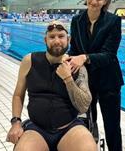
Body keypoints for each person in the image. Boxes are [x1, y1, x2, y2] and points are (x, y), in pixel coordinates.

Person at [6, 20, 97, 151]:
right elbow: (18, 95)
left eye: (61, 36)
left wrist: (68, 79)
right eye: (52, 37)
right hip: (37, 129)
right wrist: (16, 122)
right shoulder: (29, 61)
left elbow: (83, 107)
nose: (56, 41)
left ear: (68, 39)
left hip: (69, 127)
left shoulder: (76, 66)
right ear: (45, 40)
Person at [68, 0, 124, 151]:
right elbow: (74, 49)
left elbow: (109, 54)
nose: (94, 1)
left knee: (112, 127)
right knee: (88, 124)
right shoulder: (76, 20)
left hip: (109, 82)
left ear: (106, 1)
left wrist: (84, 57)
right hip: (86, 83)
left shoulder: (113, 21)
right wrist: (67, 58)